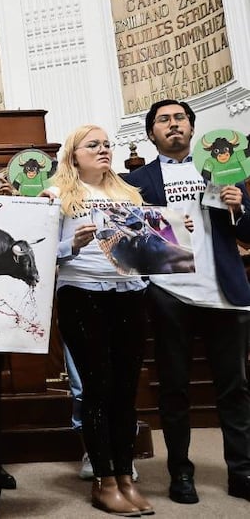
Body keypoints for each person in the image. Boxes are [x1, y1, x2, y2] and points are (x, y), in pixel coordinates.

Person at [124, 99, 250, 505]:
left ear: (193, 128)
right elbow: (130, 236)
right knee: (174, 388)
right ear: (151, 134)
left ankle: (242, 471)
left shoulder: (223, 166)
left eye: (179, 118)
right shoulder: (137, 180)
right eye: (164, 120)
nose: (173, 125)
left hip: (224, 291)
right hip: (169, 293)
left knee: (235, 388)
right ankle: (181, 472)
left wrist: (239, 207)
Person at [43, 125, 152, 516]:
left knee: (126, 388)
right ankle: (104, 481)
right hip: (82, 294)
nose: (103, 149)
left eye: (107, 144)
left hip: (130, 294)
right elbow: (39, 252)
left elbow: (146, 248)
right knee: (97, 387)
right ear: (73, 155)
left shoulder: (130, 194)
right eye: (94, 145)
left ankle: (125, 475)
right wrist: (72, 244)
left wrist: (171, 237)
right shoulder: (56, 195)